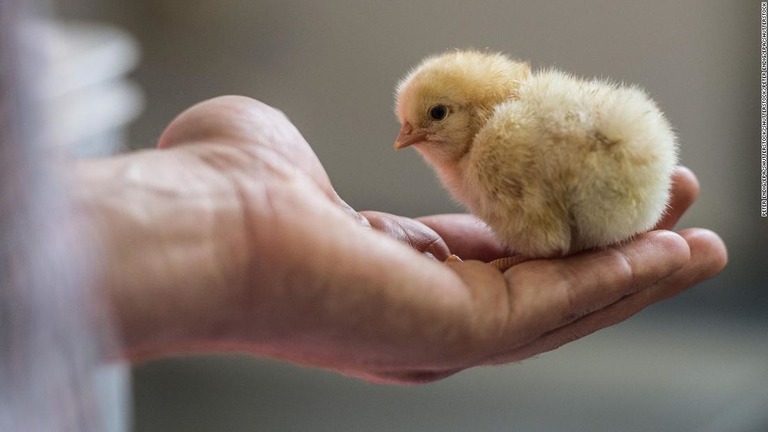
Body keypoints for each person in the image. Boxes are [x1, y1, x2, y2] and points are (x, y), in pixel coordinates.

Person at [74, 95, 727, 384]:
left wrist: (241, 226)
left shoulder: (500, 142)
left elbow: (540, 224)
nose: (412, 135)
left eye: (431, 118)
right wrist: (244, 230)